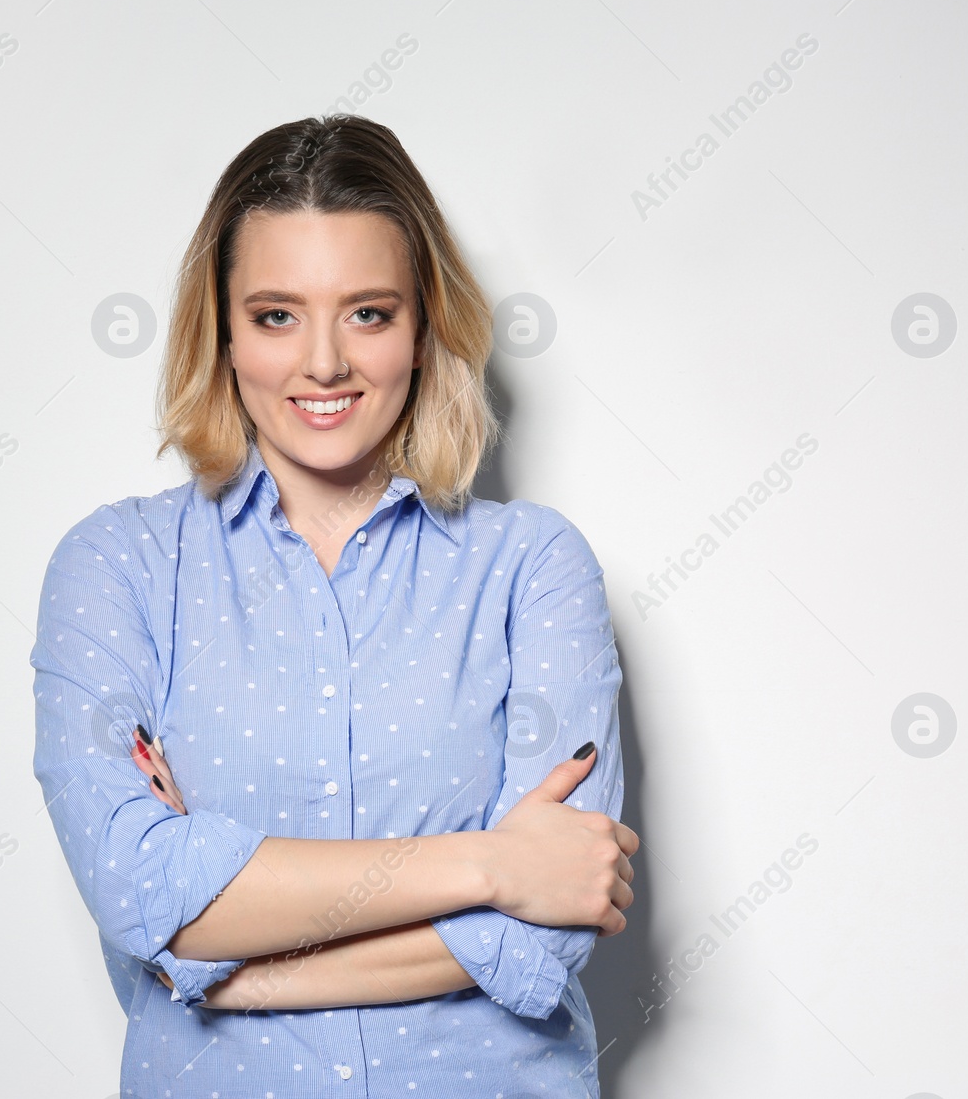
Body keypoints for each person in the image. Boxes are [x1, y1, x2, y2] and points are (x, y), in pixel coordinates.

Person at [31, 113, 639, 1097]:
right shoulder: (120, 567)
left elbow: (541, 940)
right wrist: (492, 865)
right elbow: (141, 892)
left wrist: (215, 965)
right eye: (276, 314)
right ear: (221, 331)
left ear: (424, 325)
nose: (323, 363)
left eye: (367, 312)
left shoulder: (531, 569)